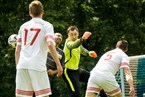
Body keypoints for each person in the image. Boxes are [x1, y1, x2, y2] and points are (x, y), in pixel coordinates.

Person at [15, 1, 63, 97]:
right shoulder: (47, 25)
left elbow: (17, 50)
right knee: (43, 95)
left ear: (30, 13)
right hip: (37, 65)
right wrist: (58, 64)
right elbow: (50, 44)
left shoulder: (23, 26)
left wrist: (18, 67)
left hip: (22, 65)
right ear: (43, 12)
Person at [62, 26, 102, 97]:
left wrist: (89, 53)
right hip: (68, 72)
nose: (74, 36)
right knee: (76, 94)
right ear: (68, 35)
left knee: (95, 80)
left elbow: (82, 49)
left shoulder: (78, 43)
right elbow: (74, 45)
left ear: (78, 34)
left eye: (75, 34)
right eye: (71, 34)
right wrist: (83, 38)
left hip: (77, 70)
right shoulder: (68, 43)